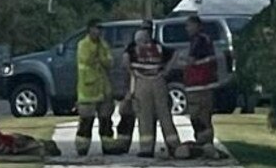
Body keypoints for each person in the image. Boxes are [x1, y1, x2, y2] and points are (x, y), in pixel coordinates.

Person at [124, 22, 180, 157]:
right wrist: (166, 70)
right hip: (159, 81)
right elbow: (175, 54)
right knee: (164, 114)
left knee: (144, 116)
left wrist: (132, 72)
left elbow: (125, 60)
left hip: (142, 82)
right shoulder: (158, 46)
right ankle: (174, 146)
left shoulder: (133, 47)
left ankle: (146, 149)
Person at [75, 19, 115, 156]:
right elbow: (87, 59)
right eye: (96, 28)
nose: (98, 31)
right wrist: (98, 54)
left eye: (100, 29)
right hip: (88, 90)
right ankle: (82, 147)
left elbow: (109, 62)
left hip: (104, 89)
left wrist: (102, 57)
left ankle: (108, 147)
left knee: (106, 121)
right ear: (90, 29)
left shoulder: (104, 45)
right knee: (86, 122)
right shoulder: (83, 44)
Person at [184, 14, 218, 152]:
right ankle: (204, 142)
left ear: (197, 25)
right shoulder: (202, 40)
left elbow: (192, 60)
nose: (187, 28)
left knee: (198, 115)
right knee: (202, 115)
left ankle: (204, 143)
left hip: (199, 84)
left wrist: (181, 61)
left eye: (189, 25)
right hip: (202, 83)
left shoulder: (199, 40)